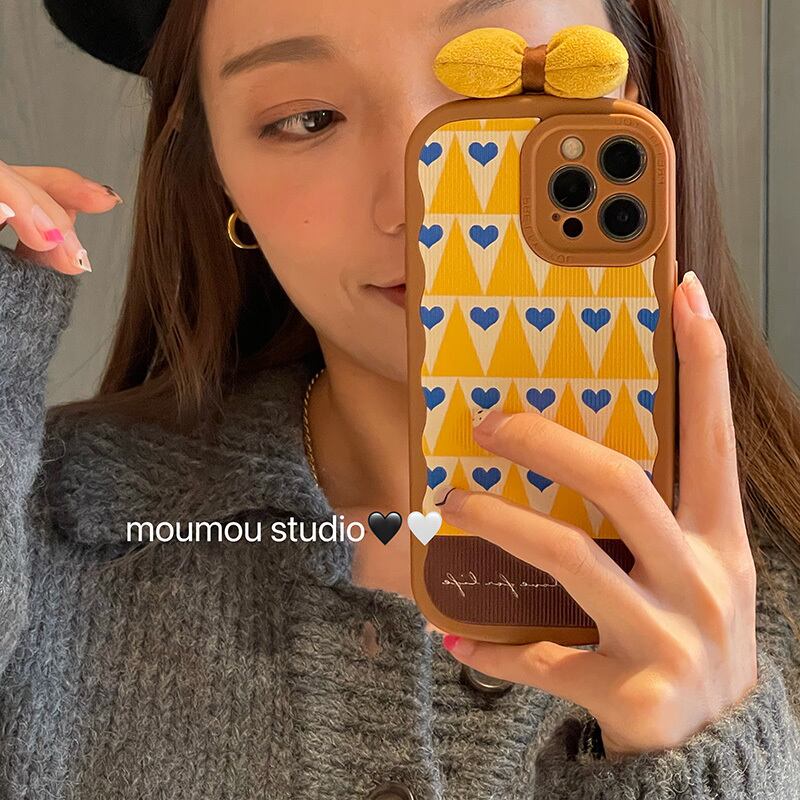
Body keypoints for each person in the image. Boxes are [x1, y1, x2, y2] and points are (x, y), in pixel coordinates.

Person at [0, 0, 797, 797]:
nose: (415, 207)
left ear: (636, 98)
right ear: (217, 174)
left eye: (495, 86)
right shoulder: (41, 536)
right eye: (308, 119)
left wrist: (708, 764)